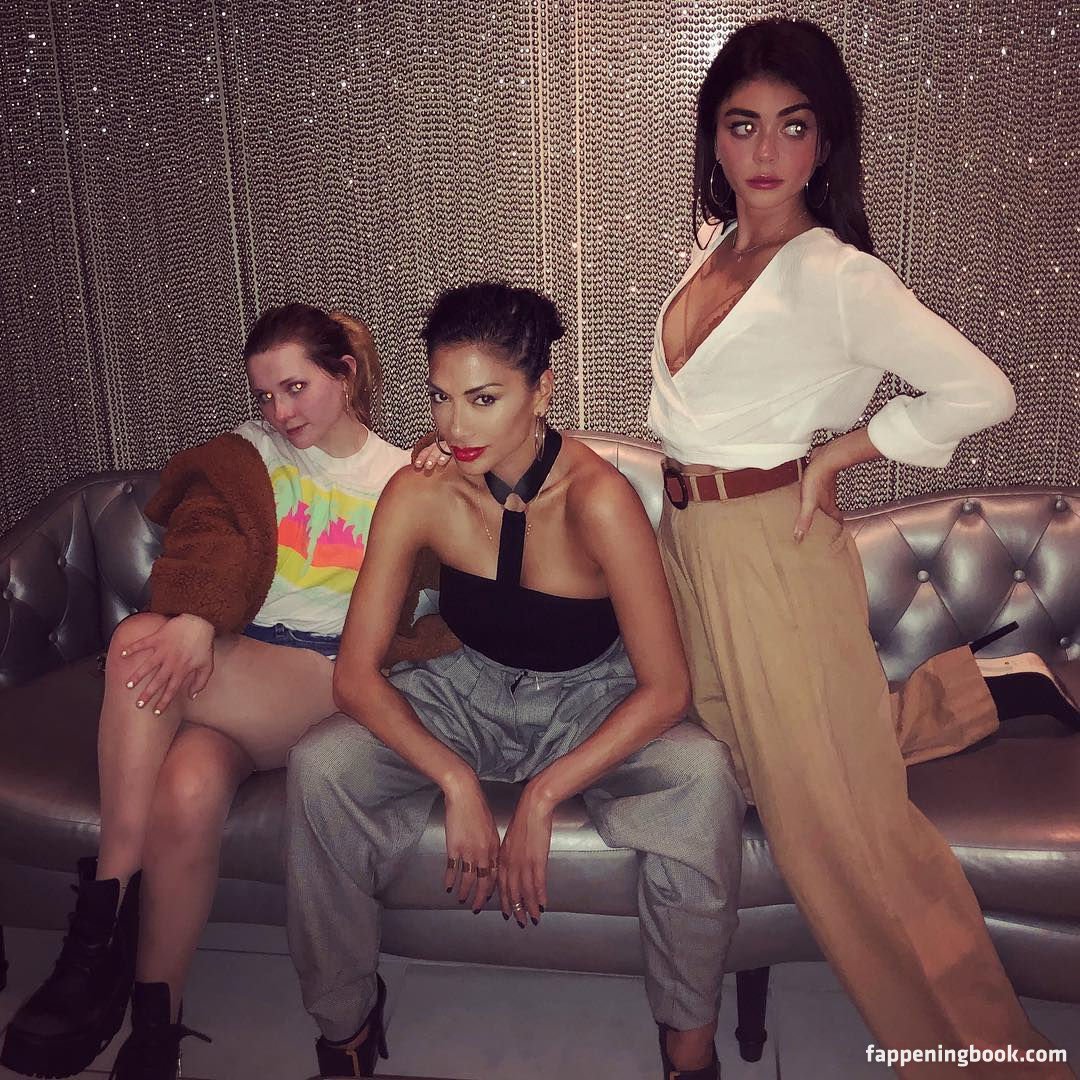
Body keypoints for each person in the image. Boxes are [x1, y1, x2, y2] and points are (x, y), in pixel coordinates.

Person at [649, 16, 1066, 1077]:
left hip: (773, 555)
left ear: (825, 141)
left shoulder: (836, 275)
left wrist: (844, 452)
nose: (765, 151)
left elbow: (982, 391)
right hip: (688, 547)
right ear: (713, 136)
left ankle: (984, 1057)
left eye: (793, 126)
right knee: (742, 761)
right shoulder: (711, 248)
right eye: (742, 124)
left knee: (844, 833)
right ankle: (979, 689)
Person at [284, 282, 746, 1080]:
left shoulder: (599, 500)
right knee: (319, 766)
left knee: (702, 776)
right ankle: (344, 1027)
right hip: (462, 687)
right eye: (441, 397)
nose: (455, 427)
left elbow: (665, 689)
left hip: (589, 695)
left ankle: (689, 1041)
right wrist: (454, 779)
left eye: (484, 399)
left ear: (541, 391)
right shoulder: (421, 489)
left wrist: (542, 795)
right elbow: (355, 678)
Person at [1, 303, 446, 1080]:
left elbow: (477, 542)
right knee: (188, 786)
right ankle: (155, 1022)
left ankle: (101, 916)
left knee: (135, 645)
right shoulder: (249, 455)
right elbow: (207, 535)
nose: (280, 412)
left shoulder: (399, 477)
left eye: (296, 388)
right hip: (240, 667)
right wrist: (201, 617)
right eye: (265, 395)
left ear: (344, 375)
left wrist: (461, 473)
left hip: (329, 675)